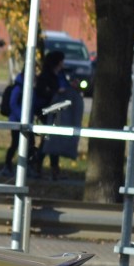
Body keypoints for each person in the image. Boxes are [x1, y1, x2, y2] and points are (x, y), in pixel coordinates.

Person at [33, 50, 83, 180]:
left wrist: (71, 87)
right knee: (50, 138)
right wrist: (56, 92)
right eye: (61, 60)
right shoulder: (46, 76)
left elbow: (64, 87)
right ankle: (42, 166)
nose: (63, 63)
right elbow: (42, 92)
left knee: (51, 138)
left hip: (58, 110)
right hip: (46, 110)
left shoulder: (60, 75)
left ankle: (46, 167)